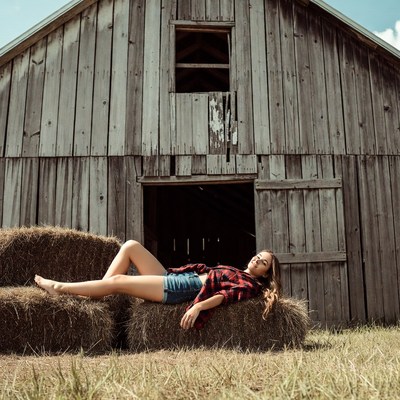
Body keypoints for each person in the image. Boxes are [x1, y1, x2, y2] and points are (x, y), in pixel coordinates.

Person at [35, 240, 282, 330]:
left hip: (183, 289)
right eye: (258, 256)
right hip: (179, 279)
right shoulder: (237, 271)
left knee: (119, 281)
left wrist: (198, 307)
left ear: (265, 273)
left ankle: (60, 288)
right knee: (131, 246)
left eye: (264, 262)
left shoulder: (251, 286)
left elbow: (225, 297)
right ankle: (97, 293)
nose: (258, 259)